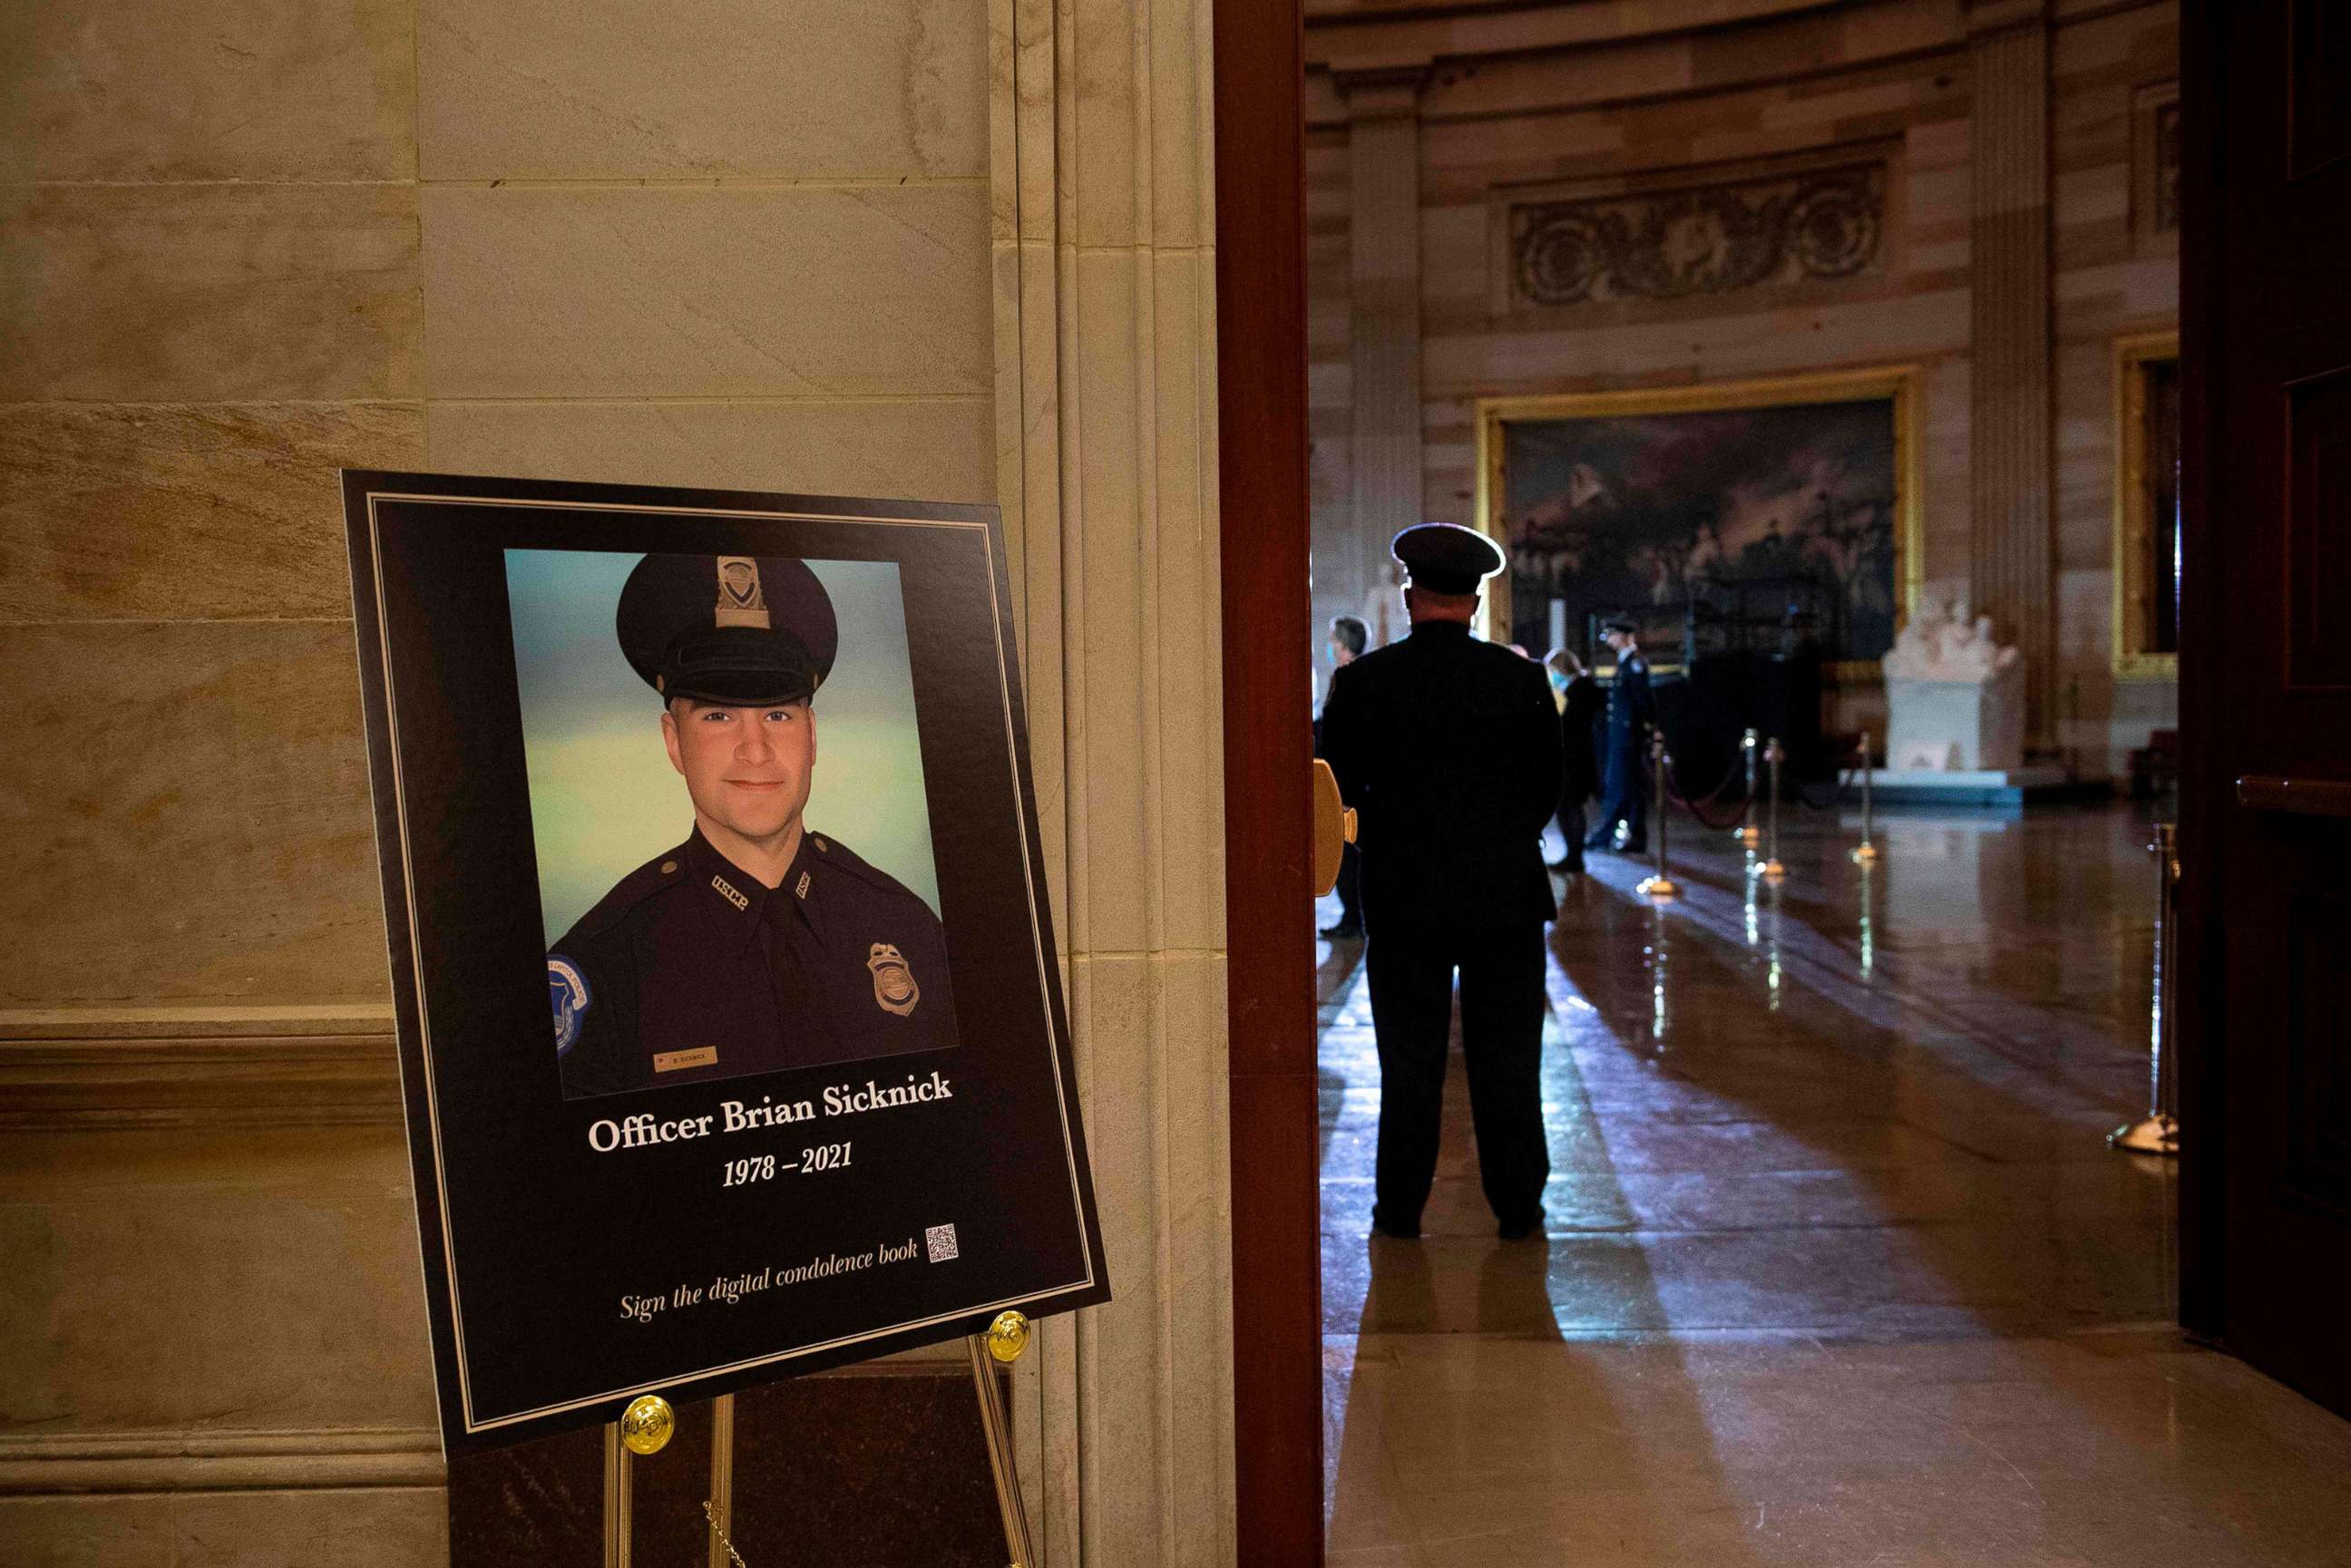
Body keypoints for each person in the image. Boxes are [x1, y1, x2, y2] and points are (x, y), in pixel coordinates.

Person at [549, 553, 956, 1098]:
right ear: (674, 741)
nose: (755, 751)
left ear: (812, 736)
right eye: (718, 716)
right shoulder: (603, 966)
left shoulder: (910, 929)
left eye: (778, 715)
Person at [1319, 524, 1563, 1241]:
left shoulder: (1362, 683)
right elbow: (1547, 787)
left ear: (1407, 595)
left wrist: (1384, 854)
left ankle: (1399, 1211)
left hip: (1403, 899)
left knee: (1408, 1062)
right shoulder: (1522, 681)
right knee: (1511, 1062)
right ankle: (1519, 1208)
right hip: (1505, 900)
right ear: (1478, 600)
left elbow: (1335, 798)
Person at [1585, 617, 1655, 855]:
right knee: (1630, 786)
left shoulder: (1634, 663)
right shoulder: (1626, 663)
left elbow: (1642, 700)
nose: (1610, 640)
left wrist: (1645, 729)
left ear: (1623, 636)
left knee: (1621, 785)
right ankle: (1634, 835)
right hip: (1621, 734)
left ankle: (1606, 835)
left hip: (1628, 734)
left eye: (1612, 635)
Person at [1317, 615, 1369, 940]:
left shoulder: (1349, 678)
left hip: (1345, 778)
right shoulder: (1354, 676)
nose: (1331, 644)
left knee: (1347, 851)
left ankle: (1353, 916)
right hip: (1351, 776)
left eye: (1334, 638)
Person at [1543, 648, 1605, 874]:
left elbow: (1570, 728)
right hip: (1577, 761)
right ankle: (1573, 855)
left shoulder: (1579, 692)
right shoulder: (1580, 690)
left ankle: (1574, 856)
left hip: (1574, 762)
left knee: (1569, 808)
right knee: (1569, 808)